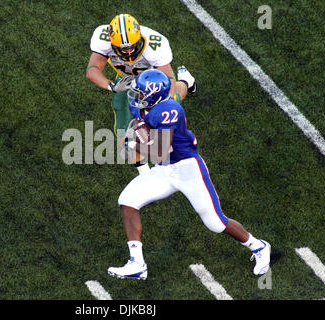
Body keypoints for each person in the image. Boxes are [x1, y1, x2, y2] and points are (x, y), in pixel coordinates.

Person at [107, 69, 271, 280]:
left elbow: (159, 152)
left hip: (187, 169)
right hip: (166, 169)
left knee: (215, 223)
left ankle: (258, 246)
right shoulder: (146, 105)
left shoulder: (169, 111)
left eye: (140, 93)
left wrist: (135, 142)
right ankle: (137, 263)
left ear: (153, 96)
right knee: (128, 200)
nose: (136, 96)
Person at [86, 13, 197, 174]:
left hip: (154, 80)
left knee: (173, 102)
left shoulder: (154, 45)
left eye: (131, 45)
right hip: (127, 81)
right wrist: (113, 87)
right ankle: (145, 174)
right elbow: (92, 70)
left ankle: (187, 81)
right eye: (123, 48)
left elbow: (169, 80)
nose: (129, 50)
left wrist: (167, 105)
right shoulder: (103, 39)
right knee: (123, 135)